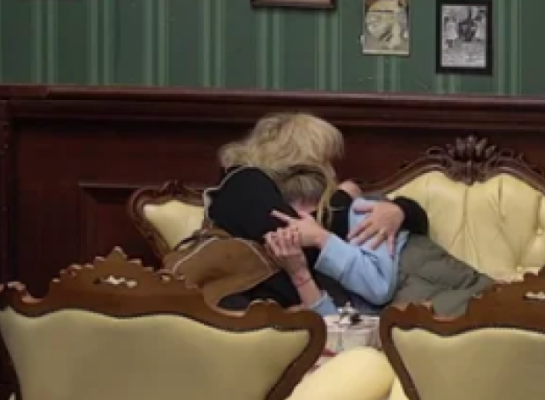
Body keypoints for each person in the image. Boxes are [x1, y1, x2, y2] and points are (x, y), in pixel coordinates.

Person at [203, 112, 429, 311]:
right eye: (325, 161)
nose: (332, 172)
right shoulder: (245, 184)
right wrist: (341, 201)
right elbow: (296, 234)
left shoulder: (362, 212)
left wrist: (401, 210)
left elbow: (375, 286)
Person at [266, 164, 494, 317]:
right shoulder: (302, 255)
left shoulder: (364, 213)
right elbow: (335, 330)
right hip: (425, 329)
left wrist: (320, 237)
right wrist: (300, 275)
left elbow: (379, 287)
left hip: (473, 302)